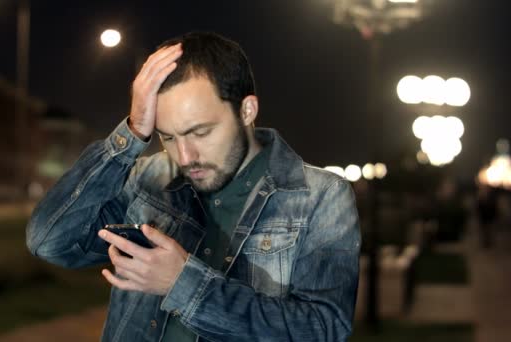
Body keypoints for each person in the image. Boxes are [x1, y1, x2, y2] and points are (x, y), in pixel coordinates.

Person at [26, 31, 361, 342]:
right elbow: (50, 242)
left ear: (247, 110)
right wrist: (131, 135)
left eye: (200, 132)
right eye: (167, 137)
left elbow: (323, 329)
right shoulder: (149, 177)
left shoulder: (319, 196)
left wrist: (182, 284)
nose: (185, 157)